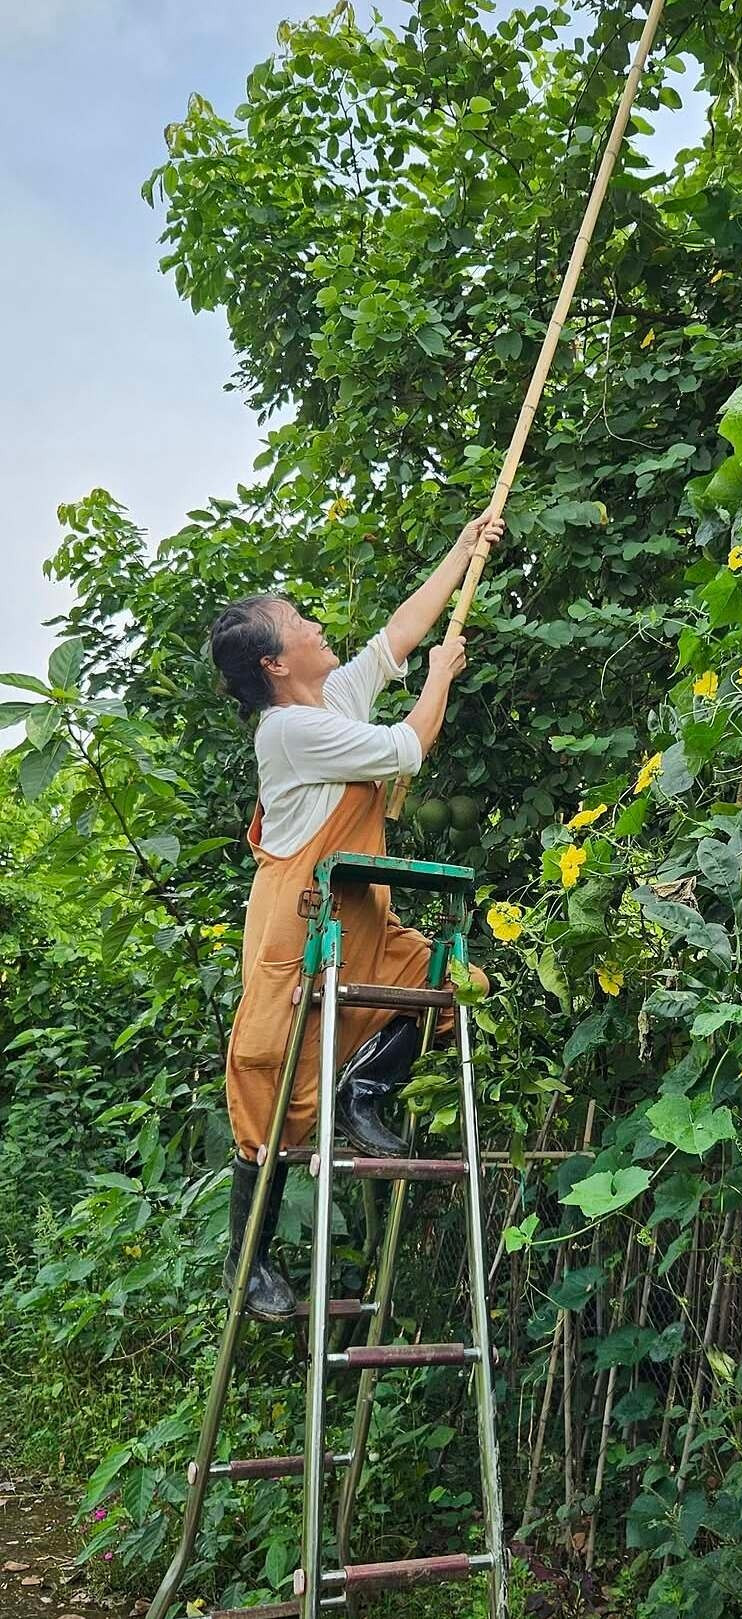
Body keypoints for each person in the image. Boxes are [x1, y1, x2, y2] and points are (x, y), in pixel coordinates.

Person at [208, 508, 502, 1319]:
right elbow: (409, 747)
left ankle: (363, 1090)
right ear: (274, 661)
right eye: (298, 622)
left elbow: (395, 638)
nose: (315, 624)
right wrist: (443, 674)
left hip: (363, 918)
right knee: (271, 1093)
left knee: (453, 981)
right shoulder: (291, 731)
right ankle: (249, 1260)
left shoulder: (328, 696)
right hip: (299, 925)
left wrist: (463, 543)